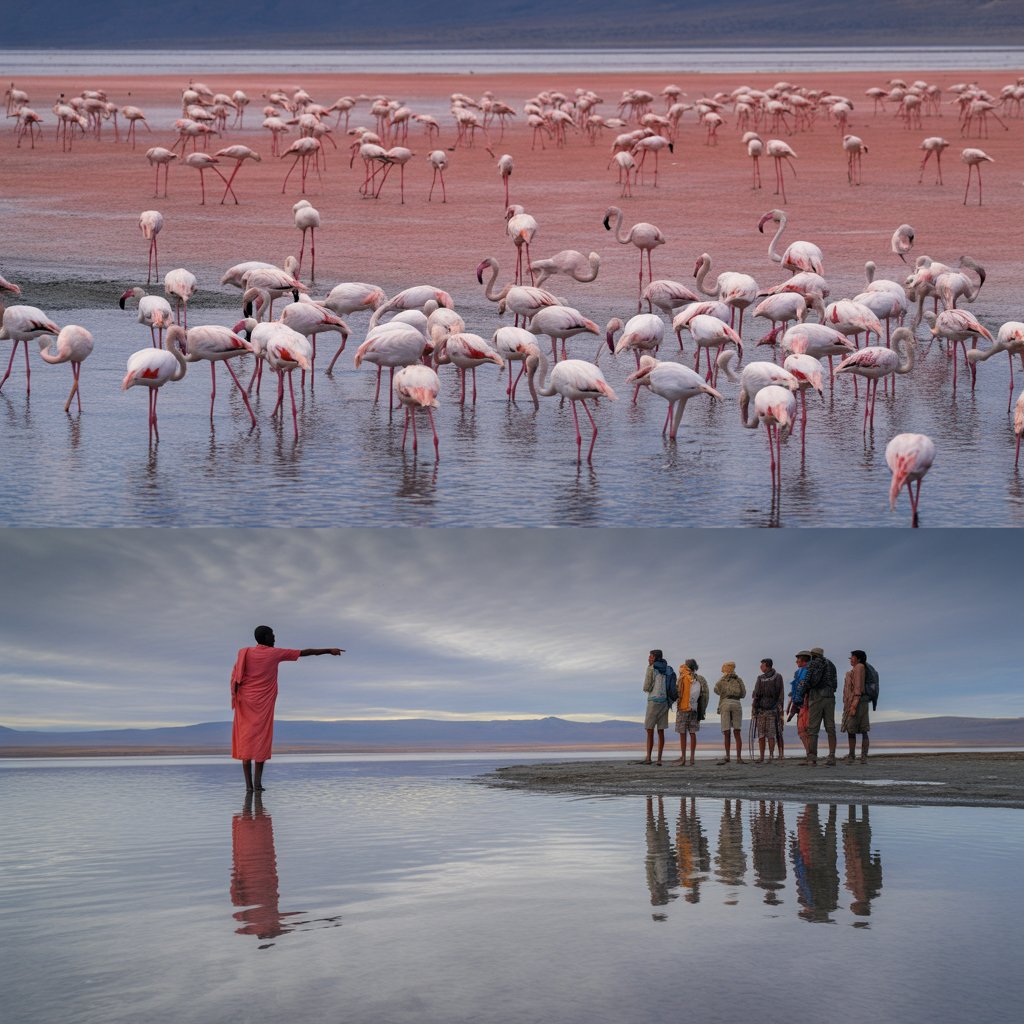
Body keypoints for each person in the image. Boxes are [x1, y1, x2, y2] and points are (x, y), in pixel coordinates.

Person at [231, 625, 344, 791]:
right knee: (261, 739)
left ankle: (250, 786)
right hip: (261, 704)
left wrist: (236, 695)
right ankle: (257, 784)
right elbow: (305, 652)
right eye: (272, 635)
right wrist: (329, 650)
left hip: (245, 702)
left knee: (246, 739)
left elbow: (236, 676)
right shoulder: (274, 653)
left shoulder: (244, 653)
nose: (274, 638)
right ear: (265, 637)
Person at [799, 645, 837, 767]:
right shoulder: (831, 665)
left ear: (813, 655)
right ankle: (832, 756)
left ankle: (812, 758)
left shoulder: (813, 663)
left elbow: (809, 681)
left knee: (813, 729)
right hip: (830, 697)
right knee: (830, 728)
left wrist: (802, 692)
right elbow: (835, 683)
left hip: (816, 697)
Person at [672, 658, 709, 766]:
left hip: (683, 710)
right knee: (692, 733)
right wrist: (702, 710)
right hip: (694, 710)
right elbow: (705, 695)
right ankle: (692, 758)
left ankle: (683, 757)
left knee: (682, 734)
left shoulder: (682, 676)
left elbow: (677, 692)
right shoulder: (700, 679)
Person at [751, 658, 785, 763]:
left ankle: (771, 755)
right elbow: (756, 694)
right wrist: (754, 708)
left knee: (771, 734)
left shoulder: (778, 677)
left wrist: (779, 708)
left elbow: (781, 694)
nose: (760, 667)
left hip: (773, 711)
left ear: (767, 665)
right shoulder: (760, 678)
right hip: (761, 710)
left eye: (762, 665)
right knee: (761, 734)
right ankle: (762, 757)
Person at [640, 649, 670, 765]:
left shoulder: (651, 668)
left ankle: (648, 757)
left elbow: (647, 686)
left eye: (651, 657)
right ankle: (659, 759)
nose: (649, 659)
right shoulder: (667, 668)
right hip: (664, 702)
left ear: (655, 658)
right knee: (661, 731)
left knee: (649, 730)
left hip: (653, 701)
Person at [713, 661, 746, 765]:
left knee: (726, 731)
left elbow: (716, 690)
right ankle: (739, 758)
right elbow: (743, 694)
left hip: (725, 703)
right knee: (737, 731)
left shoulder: (721, 681)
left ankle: (727, 756)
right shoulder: (738, 680)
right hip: (736, 703)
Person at [842, 650, 870, 762]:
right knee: (857, 729)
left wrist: (854, 704)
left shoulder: (859, 667)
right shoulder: (856, 669)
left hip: (857, 701)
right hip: (858, 701)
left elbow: (858, 686)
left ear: (858, 658)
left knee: (856, 728)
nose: (850, 659)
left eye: (852, 657)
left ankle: (857, 756)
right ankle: (857, 755)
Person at [787, 651, 812, 758]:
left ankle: (810, 754)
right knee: (802, 730)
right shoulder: (798, 673)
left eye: (799, 659)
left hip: (808, 704)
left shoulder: (810, 672)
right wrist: (790, 706)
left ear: (804, 661)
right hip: (800, 704)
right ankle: (809, 753)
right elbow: (796, 689)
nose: (796, 661)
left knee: (807, 729)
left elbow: (806, 687)